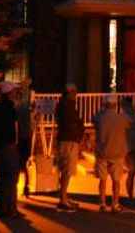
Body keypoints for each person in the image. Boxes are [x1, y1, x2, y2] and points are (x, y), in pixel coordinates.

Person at [93, 97, 131, 213]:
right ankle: (115, 204)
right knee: (116, 180)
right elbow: (130, 123)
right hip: (117, 153)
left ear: (104, 105)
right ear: (115, 105)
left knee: (103, 180)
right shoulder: (122, 118)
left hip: (102, 153)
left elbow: (94, 119)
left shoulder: (100, 117)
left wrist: (101, 110)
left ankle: (102, 204)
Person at [0, 82, 21, 218]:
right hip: (8, 145)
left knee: (3, 177)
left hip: (0, 146)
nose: (16, 93)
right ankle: (10, 208)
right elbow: (13, 126)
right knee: (11, 178)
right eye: (14, 91)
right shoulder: (9, 108)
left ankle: (1, 207)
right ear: (9, 93)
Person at [56, 83, 84, 211]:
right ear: (69, 93)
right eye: (74, 92)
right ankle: (63, 199)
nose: (76, 94)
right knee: (67, 169)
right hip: (69, 141)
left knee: (65, 170)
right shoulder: (66, 106)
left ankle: (64, 196)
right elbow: (71, 123)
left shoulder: (64, 105)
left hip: (67, 139)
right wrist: (78, 132)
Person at [16, 87, 34, 199]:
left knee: (18, 164)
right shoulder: (27, 109)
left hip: (20, 139)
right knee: (25, 164)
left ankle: (19, 187)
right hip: (25, 138)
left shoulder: (17, 108)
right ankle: (26, 187)